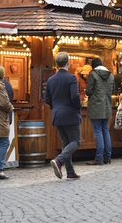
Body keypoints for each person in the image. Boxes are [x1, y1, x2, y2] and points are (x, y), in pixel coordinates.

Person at [46, 52, 82, 180]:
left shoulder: (51, 80)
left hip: (57, 114)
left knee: (66, 143)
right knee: (76, 141)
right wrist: (78, 107)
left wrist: (55, 108)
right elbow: (75, 96)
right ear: (68, 62)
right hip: (70, 113)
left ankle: (70, 172)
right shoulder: (71, 78)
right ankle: (59, 161)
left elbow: (47, 99)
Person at [85, 58, 114, 165]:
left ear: (93, 66)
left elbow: (88, 91)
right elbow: (113, 90)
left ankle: (99, 158)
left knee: (98, 132)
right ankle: (108, 157)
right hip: (107, 106)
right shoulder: (110, 75)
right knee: (106, 131)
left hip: (96, 107)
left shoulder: (93, 74)